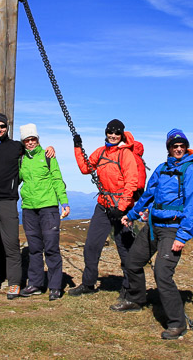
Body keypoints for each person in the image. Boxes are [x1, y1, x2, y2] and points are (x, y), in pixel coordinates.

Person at [111, 129, 193, 340]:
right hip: (154, 226)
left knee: (162, 274)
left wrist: (183, 236)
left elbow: (192, 205)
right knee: (133, 262)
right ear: (169, 148)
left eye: (181, 145)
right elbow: (148, 195)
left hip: (173, 229)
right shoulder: (162, 169)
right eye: (174, 146)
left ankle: (177, 323)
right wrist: (132, 215)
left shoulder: (191, 172)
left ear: (186, 147)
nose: (178, 149)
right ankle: (136, 299)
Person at [0, 114, 55, 300]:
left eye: (2, 126)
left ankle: (14, 283)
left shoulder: (16, 147)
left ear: (8, 127)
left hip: (8, 201)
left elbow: (32, 149)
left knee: (11, 244)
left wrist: (49, 149)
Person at [69, 119, 142, 297]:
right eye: (110, 132)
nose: (113, 135)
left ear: (122, 135)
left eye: (117, 133)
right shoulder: (101, 152)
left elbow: (131, 182)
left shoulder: (125, 155)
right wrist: (78, 148)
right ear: (106, 133)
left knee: (124, 248)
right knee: (91, 246)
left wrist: (122, 207)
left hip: (121, 208)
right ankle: (88, 283)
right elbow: (86, 168)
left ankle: (129, 287)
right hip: (103, 205)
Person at [17, 123, 70, 301]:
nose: (31, 142)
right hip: (29, 208)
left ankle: (55, 286)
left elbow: (57, 179)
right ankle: (36, 284)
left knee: (51, 248)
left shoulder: (47, 156)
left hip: (48, 207)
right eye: (27, 140)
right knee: (34, 248)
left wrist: (64, 202)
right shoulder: (21, 159)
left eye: (33, 139)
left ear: (38, 139)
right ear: (23, 142)